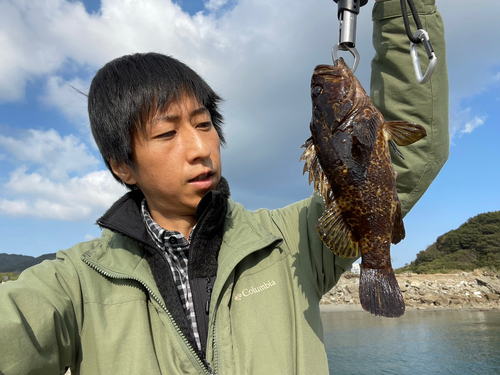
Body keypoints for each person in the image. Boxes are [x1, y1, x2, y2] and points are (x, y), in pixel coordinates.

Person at [0, 0, 448, 373]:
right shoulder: (74, 282)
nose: (200, 147)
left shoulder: (290, 241)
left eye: (204, 123)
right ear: (123, 167)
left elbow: (403, 160)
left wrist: (399, 10)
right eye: (167, 133)